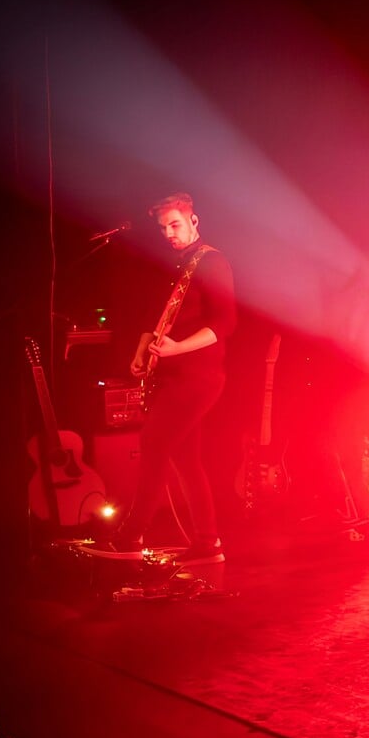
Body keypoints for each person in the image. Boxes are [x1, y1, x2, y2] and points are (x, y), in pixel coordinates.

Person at [109, 192, 236, 562]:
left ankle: (131, 536)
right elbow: (155, 314)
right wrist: (141, 352)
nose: (169, 233)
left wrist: (177, 349)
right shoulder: (177, 265)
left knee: (153, 446)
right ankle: (207, 542)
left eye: (175, 225)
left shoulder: (213, 262)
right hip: (174, 376)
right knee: (185, 459)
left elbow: (224, 324)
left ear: (194, 221)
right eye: (163, 227)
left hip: (200, 377)